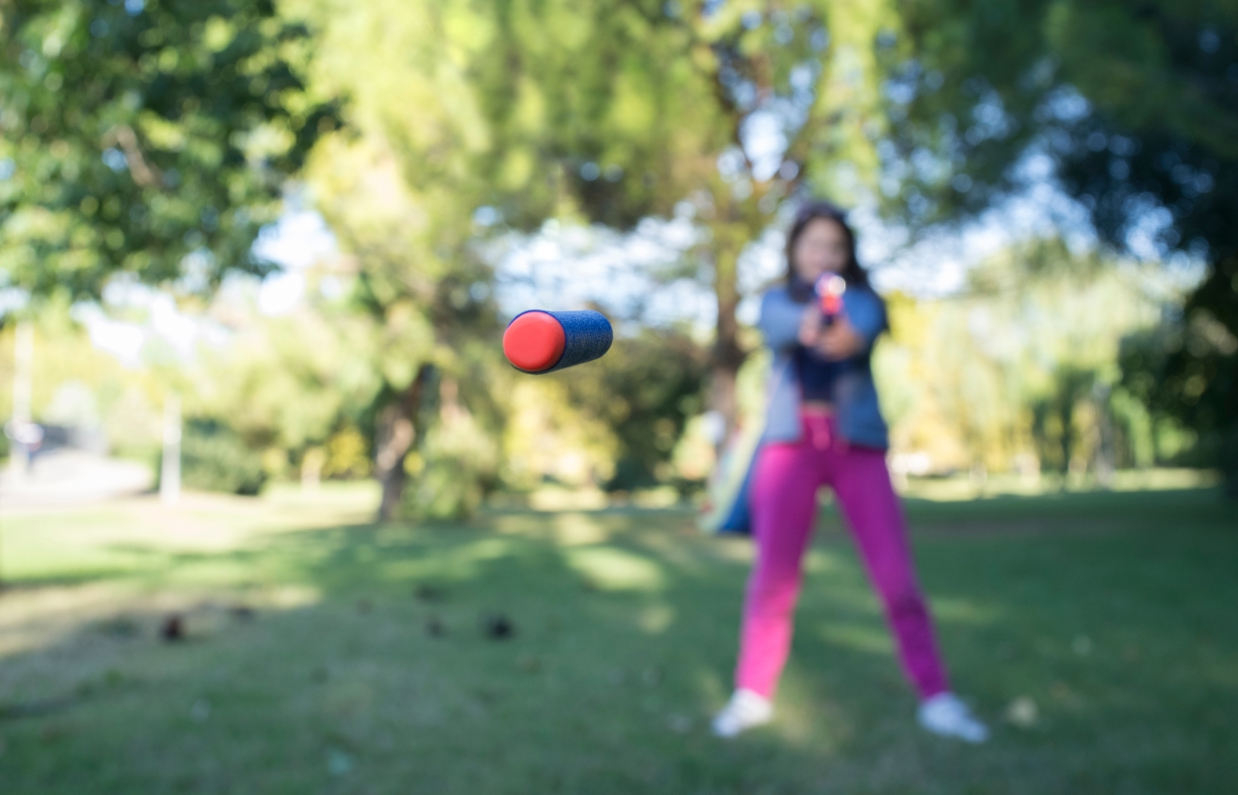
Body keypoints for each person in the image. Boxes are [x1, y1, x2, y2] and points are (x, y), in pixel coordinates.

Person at [711, 201, 988, 743]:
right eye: (813, 243)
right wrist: (810, 321)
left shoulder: (864, 302)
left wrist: (835, 326)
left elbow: (856, 332)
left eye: (834, 246)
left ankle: (938, 697)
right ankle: (751, 694)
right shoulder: (773, 303)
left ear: (848, 254)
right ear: (794, 249)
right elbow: (781, 327)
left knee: (898, 580)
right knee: (772, 578)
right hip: (789, 446)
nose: (823, 254)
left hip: (856, 445)